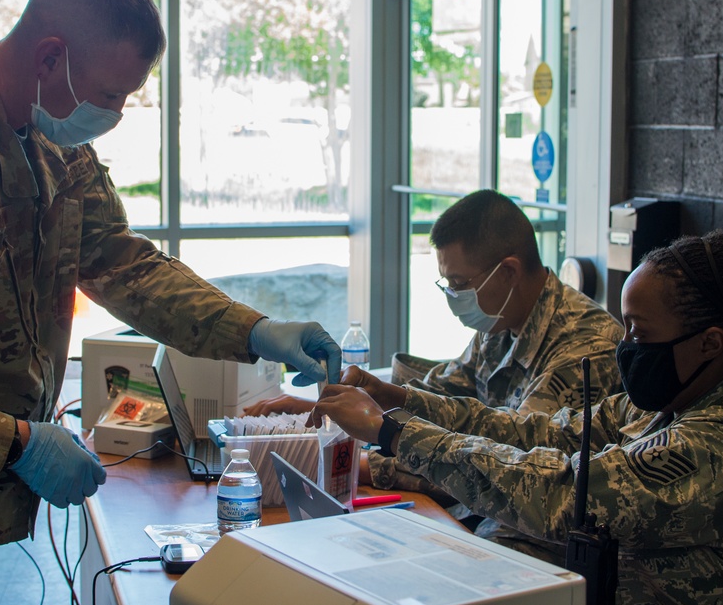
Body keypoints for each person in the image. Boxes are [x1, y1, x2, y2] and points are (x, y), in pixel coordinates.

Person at [0, 0, 340, 605]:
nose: (115, 114)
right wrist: (17, 444)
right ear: (49, 57)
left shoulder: (45, 138)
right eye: (109, 95)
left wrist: (254, 331)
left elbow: (123, 263)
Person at [315, 230, 723, 605]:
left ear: (710, 343)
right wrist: (397, 400)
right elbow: (534, 431)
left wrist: (392, 432)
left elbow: (561, 493)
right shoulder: (662, 407)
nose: (623, 348)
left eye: (638, 334)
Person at [246, 190, 624, 495]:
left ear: (508, 272)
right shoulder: (504, 323)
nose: (453, 297)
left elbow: (511, 469)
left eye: (459, 284)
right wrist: (338, 407)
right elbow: (446, 399)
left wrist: (355, 462)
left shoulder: (584, 347)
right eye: (448, 283)